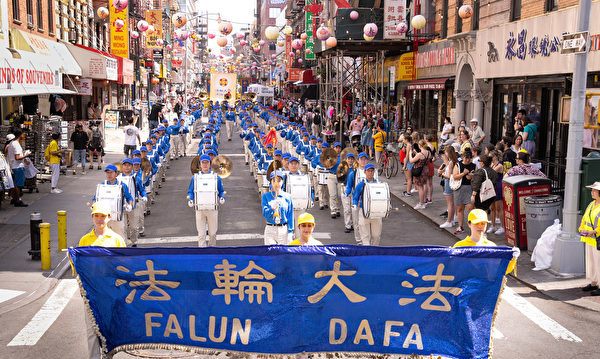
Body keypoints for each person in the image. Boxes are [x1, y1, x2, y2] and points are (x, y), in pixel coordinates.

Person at [77, 201, 125, 359]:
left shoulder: (117, 240)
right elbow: (79, 268)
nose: (99, 219)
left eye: (103, 216)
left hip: (110, 293)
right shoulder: (84, 241)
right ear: (92, 217)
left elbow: (123, 267)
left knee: (108, 330)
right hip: (90, 293)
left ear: (109, 217)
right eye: (96, 216)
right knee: (92, 331)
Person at [454, 209, 517, 275]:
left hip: (486, 285)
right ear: (469, 224)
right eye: (476, 223)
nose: (480, 226)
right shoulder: (459, 246)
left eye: (483, 223)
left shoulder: (491, 246)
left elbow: (499, 270)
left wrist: (513, 259)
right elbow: (452, 269)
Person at [187, 154, 225, 247]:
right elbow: (190, 191)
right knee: (201, 235)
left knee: (212, 234)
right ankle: (202, 254)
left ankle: (212, 252)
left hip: (212, 209)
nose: (205, 165)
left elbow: (221, 190)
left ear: (210, 163)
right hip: (200, 209)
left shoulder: (216, 177)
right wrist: (190, 199)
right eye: (203, 162)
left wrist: (222, 197)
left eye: (206, 162)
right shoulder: (195, 178)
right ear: (200, 164)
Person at [92, 164, 135, 240]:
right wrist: (93, 206)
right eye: (107, 173)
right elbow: (95, 198)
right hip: (104, 217)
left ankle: (121, 251)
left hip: (117, 218)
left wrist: (130, 205)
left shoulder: (122, 185)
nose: (109, 175)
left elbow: (129, 197)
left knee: (120, 237)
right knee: (104, 238)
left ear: (116, 174)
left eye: (111, 172)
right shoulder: (102, 186)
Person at [352, 164, 383, 246]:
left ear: (374, 172)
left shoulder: (379, 184)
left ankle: (374, 253)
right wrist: (354, 204)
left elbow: (384, 196)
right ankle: (367, 254)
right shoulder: (360, 185)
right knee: (365, 237)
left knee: (376, 236)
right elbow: (355, 197)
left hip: (376, 212)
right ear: (365, 172)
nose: (370, 172)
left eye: (372, 171)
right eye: (368, 171)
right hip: (364, 212)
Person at [262, 170, 294, 245]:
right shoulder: (266, 196)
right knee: (271, 253)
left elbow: (290, 215)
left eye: (279, 181)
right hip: (270, 229)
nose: (276, 183)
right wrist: (271, 208)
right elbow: (265, 214)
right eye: (274, 181)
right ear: (271, 182)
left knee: (282, 254)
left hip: (283, 229)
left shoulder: (287, 197)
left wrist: (290, 232)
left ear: (282, 182)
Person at [579, 181, 600, 296]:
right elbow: (584, 219)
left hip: (597, 240)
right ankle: (594, 283)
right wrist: (581, 229)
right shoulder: (591, 204)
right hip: (589, 239)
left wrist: (594, 231)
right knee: (591, 263)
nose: (592, 192)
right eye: (592, 190)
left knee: (599, 263)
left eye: (594, 190)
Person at [452, 148, 476, 234]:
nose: (467, 160)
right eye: (466, 158)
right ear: (462, 157)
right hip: (460, 188)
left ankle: (472, 227)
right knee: (460, 208)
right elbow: (455, 176)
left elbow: (477, 177)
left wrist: (472, 176)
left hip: (470, 188)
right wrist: (464, 174)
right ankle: (460, 226)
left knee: (470, 208)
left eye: (469, 158)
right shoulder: (458, 165)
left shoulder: (473, 165)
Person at [6, 131, 29, 206]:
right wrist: (26, 155)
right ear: (20, 135)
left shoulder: (12, 143)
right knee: (18, 185)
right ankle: (18, 201)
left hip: (13, 166)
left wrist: (23, 152)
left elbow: (16, 154)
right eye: (23, 134)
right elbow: (17, 157)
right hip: (18, 166)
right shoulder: (16, 144)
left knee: (15, 184)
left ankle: (14, 199)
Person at [439, 145, 458, 228]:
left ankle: (449, 221)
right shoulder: (454, 161)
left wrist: (443, 174)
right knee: (452, 203)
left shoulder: (451, 162)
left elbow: (449, 175)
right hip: (451, 183)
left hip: (448, 182)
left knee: (449, 203)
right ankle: (452, 219)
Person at [488, 150, 505, 235]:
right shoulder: (492, 164)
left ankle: (502, 226)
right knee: (492, 208)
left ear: (495, 157)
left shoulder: (499, 165)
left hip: (498, 186)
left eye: (490, 156)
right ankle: (493, 225)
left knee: (499, 208)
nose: (489, 158)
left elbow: (490, 174)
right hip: (492, 186)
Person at [408, 141, 428, 209]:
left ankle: (421, 203)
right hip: (425, 169)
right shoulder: (428, 152)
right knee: (424, 185)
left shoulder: (420, 154)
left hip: (419, 170)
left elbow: (411, 161)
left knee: (420, 187)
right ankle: (424, 201)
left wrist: (410, 154)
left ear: (420, 145)